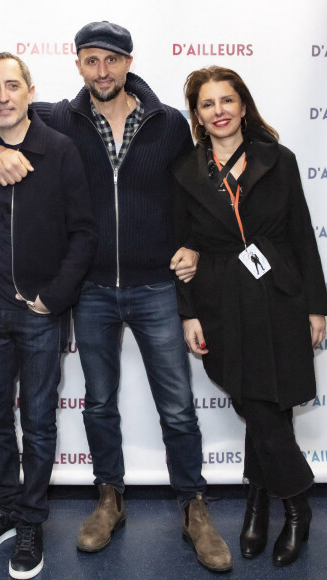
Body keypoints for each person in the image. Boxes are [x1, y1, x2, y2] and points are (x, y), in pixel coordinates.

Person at [0, 22, 232, 572]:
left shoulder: (169, 123)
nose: (101, 71)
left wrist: (195, 246)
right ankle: (110, 498)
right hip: (90, 289)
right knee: (99, 403)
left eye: (111, 60)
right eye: (90, 60)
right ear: (77, 65)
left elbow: (197, 191)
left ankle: (193, 505)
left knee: (177, 406)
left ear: (128, 63)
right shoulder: (61, 117)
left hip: (156, 284)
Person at [0, 52, 97, 579]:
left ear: (31, 90)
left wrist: (56, 296)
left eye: (12, 85)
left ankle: (32, 518)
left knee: (37, 421)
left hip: (40, 311)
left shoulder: (59, 149)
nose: (2, 96)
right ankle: (5, 510)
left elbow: (84, 231)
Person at [173, 65, 327, 567]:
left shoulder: (277, 159)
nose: (219, 111)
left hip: (280, 293)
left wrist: (316, 305)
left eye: (227, 101)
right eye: (207, 104)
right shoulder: (185, 172)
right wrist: (188, 314)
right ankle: (298, 504)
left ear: (242, 105)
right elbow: (182, 248)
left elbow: (303, 235)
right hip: (221, 300)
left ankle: (260, 505)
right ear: (197, 116)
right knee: (256, 403)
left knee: (271, 403)